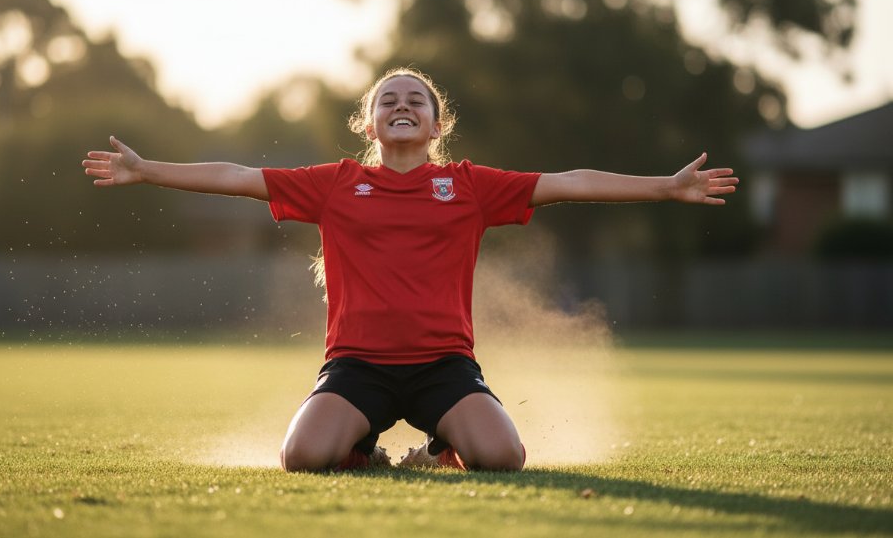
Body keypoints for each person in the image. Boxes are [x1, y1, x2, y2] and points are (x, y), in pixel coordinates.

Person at [81, 67, 738, 472]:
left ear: (435, 122)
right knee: (301, 457)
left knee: (504, 457)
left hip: (443, 368)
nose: (402, 103)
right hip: (356, 367)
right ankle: (359, 446)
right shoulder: (333, 184)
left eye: (416, 99)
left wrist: (664, 187)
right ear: (369, 123)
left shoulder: (470, 185)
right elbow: (236, 174)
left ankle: (437, 447)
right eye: (388, 97)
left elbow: (568, 180)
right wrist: (146, 170)